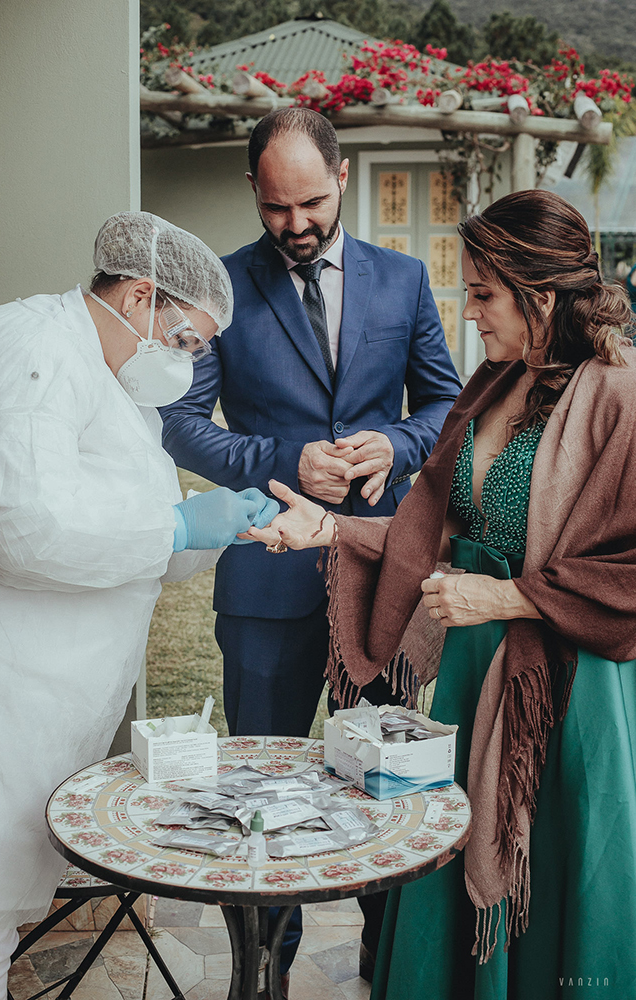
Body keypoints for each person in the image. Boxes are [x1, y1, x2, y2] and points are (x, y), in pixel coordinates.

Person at [245, 190, 636, 999]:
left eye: (483, 293)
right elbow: (437, 534)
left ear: (541, 293)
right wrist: (328, 530)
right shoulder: (493, 382)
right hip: (466, 682)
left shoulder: (621, 395)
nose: (468, 313)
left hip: (568, 701)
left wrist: (511, 601)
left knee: (551, 896)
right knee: (441, 893)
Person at [159, 106, 461, 982]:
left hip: (382, 573)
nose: (294, 226)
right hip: (264, 581)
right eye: (275, 208)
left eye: (311, 205)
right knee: (259, 786)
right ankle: (265, 965)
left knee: (383, 783)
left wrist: (395, 445)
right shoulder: (219, 286)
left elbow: (444, 404)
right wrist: (284, 458)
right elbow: (180, 425)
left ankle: (385, 955)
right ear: (253, 190)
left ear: (340, 178)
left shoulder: (402, 280)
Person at [0, 211, 278, 1000]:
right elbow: (22, 528)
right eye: (186, 341)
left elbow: (126, 537)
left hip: (49, 692)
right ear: (141, 297)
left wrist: (216, 531)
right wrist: (175, 522)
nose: (188, 363)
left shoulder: (113, 379)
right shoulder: (33, 349)